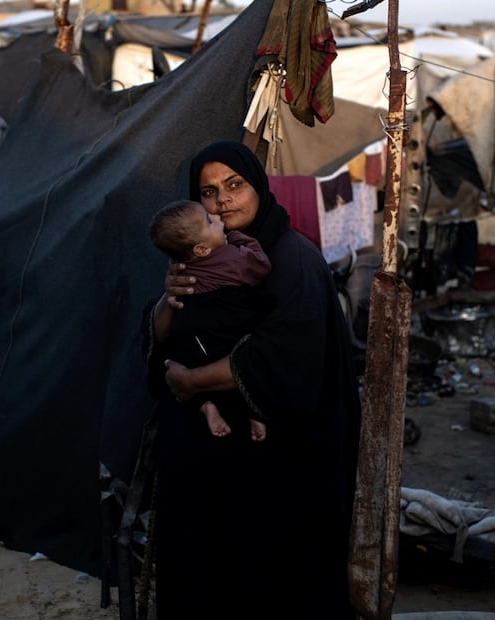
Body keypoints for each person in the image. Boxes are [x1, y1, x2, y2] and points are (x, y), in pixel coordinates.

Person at [143, 140, 362, 619]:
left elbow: (285, 359)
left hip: (278, 468)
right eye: (208, 191)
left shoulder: (292, 259)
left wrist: (193, 382)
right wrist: (167, 302)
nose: (223, 200)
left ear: (258, 186)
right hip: (210, 472)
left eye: (235, 185)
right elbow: (163, 333)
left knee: (267, 587)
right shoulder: (199, 256)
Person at [148, 198, 271, 441]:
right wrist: (237, 238)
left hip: (190, 331)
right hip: (224, 328)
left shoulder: (178, 265)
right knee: (238, 359)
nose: (217, 217)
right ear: (202, 249)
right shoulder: (229, 258)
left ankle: (206, 406)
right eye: (209, 220)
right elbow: (260, 264)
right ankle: (254, 413)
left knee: (184, 361)